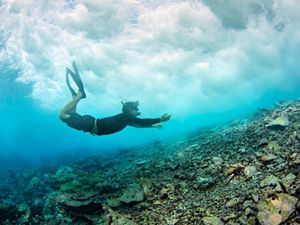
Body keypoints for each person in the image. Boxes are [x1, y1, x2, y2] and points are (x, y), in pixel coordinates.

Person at [59, 61, 171, 135]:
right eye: (136, 109)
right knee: (63, 115)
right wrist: (159, 119)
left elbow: (137, 125)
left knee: (69, 115)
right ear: (129, 110)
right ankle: (78, 97)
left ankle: (76, 99)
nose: (137, 111)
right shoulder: (125, 116)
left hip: (90, 123)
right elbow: (141, 122)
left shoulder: (126, 119)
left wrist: (151, 127)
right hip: (89, 124)